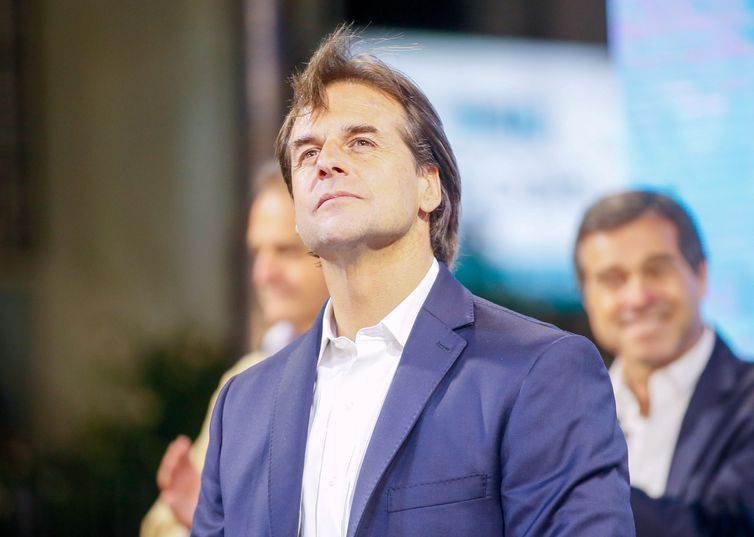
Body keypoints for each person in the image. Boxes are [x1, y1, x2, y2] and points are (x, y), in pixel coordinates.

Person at [192, 26, 634, 537]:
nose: (327, 162)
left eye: (360, 142)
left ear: (429, 186)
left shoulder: (541, 371)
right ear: (297, 215)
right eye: (307, 153)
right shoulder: (243, 406)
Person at [140, 163, 329, 537]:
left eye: (286, 251)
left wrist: (214, 519)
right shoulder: (244, 380)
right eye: (256, 252)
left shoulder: (375, 370)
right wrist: (202, 519)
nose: (262, 274)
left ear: (336, 246)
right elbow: (160, 524)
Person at [574, 190, 754, 536]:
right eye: (613, 279)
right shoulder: (562, 412)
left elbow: (726, 529)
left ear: (700, 277)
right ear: (588, 298)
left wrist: (573, 481)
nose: (638, 297)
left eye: (657, 271)